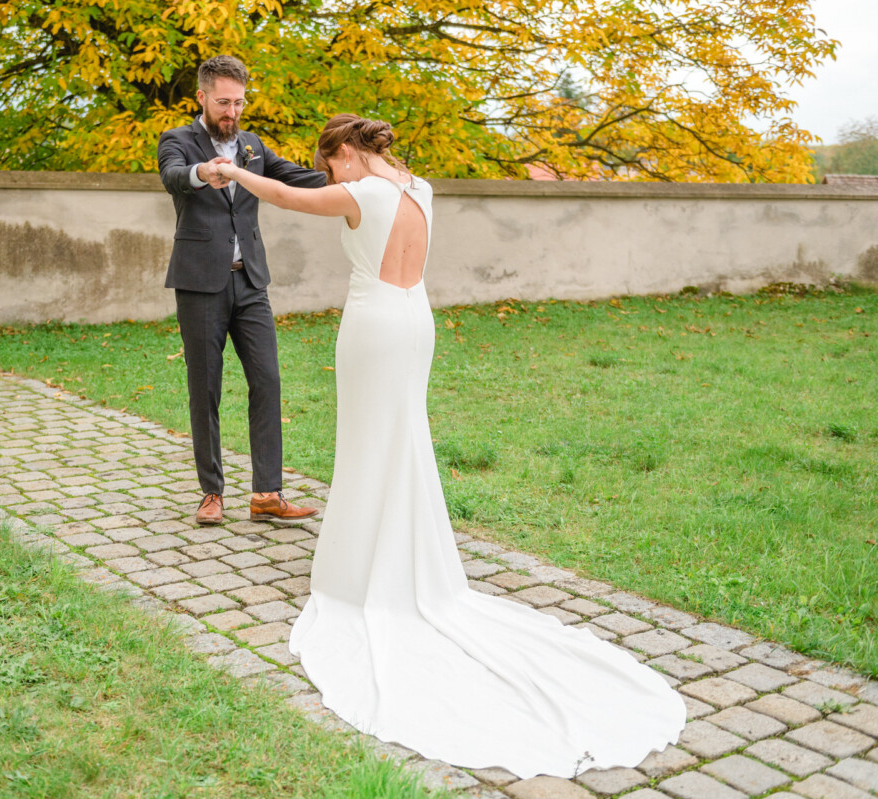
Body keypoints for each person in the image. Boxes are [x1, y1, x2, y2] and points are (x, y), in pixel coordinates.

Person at [213, 113, 686, 777]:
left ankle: (362, 576)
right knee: (401, 440)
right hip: (416, 318)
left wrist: (233, 171)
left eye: (330, 164)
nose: (329, 176)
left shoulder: (362, 193)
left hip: (376, 321)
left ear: (346, 152)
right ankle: (403, 564)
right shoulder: (421, 190)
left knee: (371, 444)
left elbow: (291, 198)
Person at [157, 55, 324, 525]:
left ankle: (267, 494)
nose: (232, 111)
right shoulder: (178, 140)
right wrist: (200, 174)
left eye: (239, 102)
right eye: (224, 102)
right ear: (203, 98)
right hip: (200, 284)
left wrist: (353, 181)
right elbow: (171, 175)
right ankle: (211, 493)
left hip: (250, 282)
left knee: (267, 381)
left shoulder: (252, 145)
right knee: (205, 388)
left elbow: (293, 177)